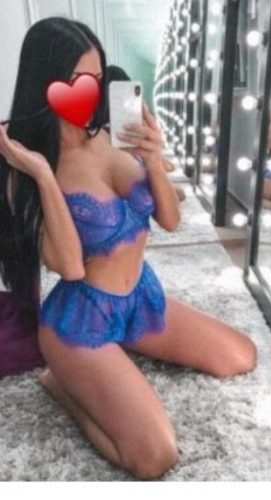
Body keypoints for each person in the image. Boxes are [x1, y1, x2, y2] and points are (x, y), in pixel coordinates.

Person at [0, 18, 257, 480]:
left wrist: (154, 161)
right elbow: (71, 267)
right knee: (154, 456)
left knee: (242, 356)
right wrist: (43, 175)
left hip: (141, 298)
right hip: (81, 322)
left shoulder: (111, 136)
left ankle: (113, 357)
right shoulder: (24, 171)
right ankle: (61, 384)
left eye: (97, 78)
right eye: (77, 79)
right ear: (45, 82)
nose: (91, 91)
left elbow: (170, 221)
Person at [103, 64, 186, 202]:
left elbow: (169, 167)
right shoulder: (104, 139)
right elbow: (175, 187)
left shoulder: (135, 127)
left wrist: (155, 157)